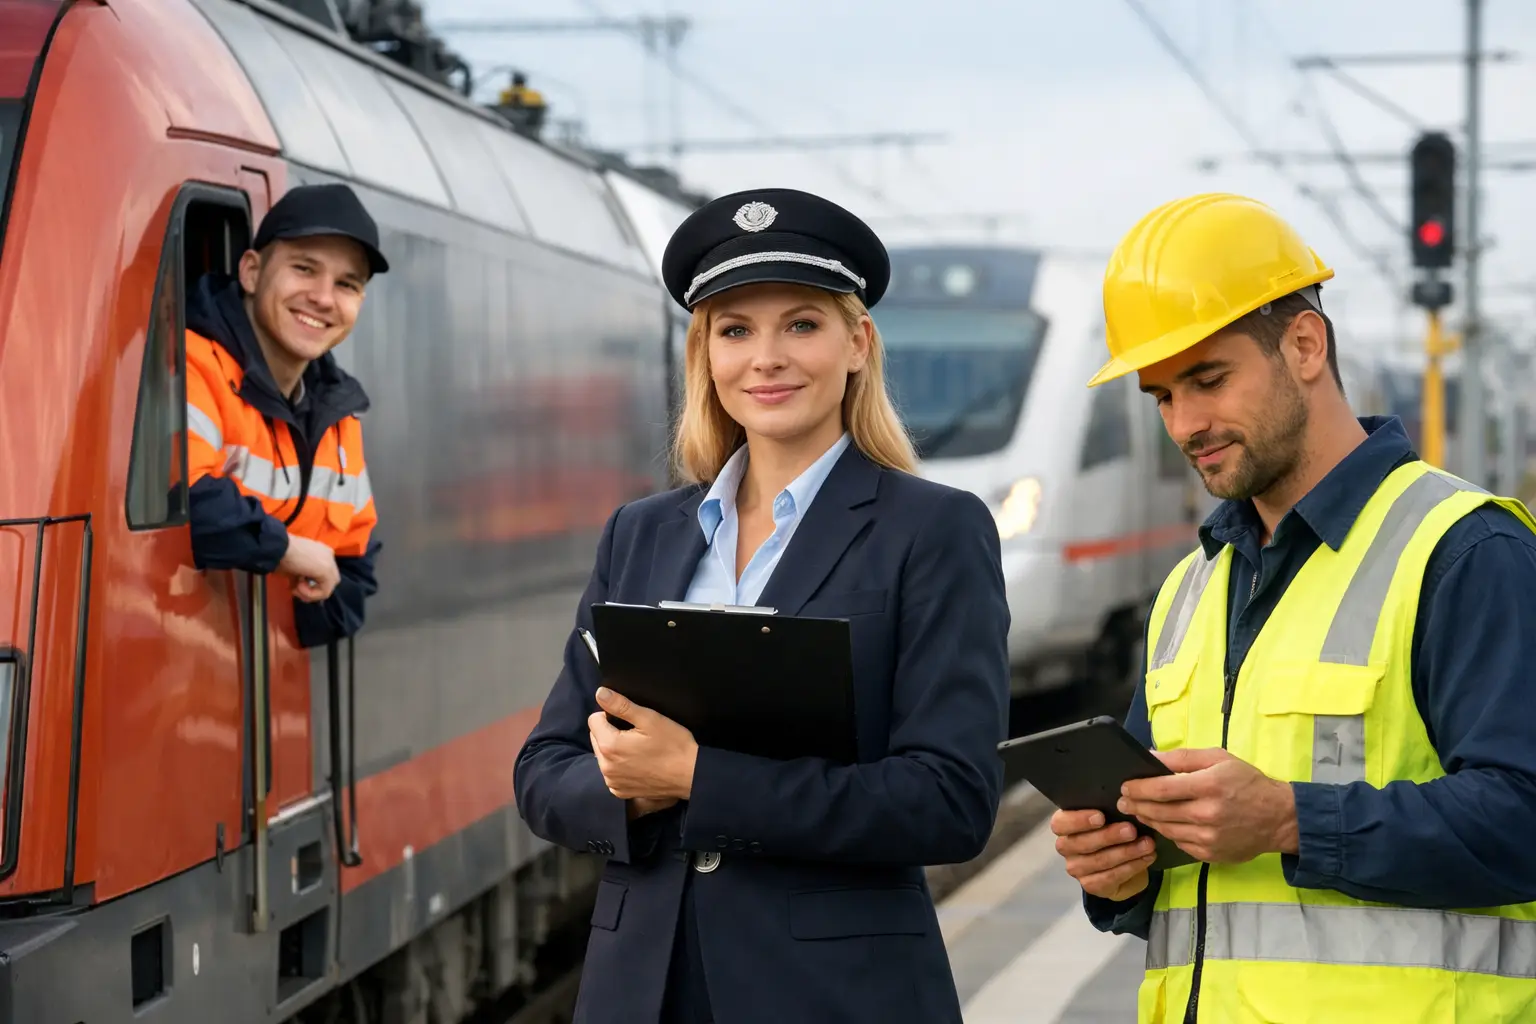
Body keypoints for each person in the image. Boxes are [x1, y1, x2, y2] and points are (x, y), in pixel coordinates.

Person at [513, 188, 1011, 1024]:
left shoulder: (934, 530)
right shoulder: (640, 534)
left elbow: (950, 799)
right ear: (704, 356)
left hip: (833, 999)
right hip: (642, 989)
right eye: (735, 330)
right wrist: (627, 791)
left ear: (858, 344)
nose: (766, 358)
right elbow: (543, 773)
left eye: (802, 324)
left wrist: (697, 778)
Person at [1050, 192, 1536, 1022]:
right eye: (1162, 395)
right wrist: (1118, 870)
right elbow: (1188, 869)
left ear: (1305, 345)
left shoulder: (1465, 552)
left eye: (1208, 379)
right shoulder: (1191, 589)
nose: (1185, 423)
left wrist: (1289, 819)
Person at [185, 182, 387, 649]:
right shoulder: (191, 365)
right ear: (252, 272)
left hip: (253, 690)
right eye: (304, 269)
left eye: (346, 284)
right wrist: (287, 552)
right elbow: (186, 503)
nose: (322, 297)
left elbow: (355, 572)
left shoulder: (338, 418)